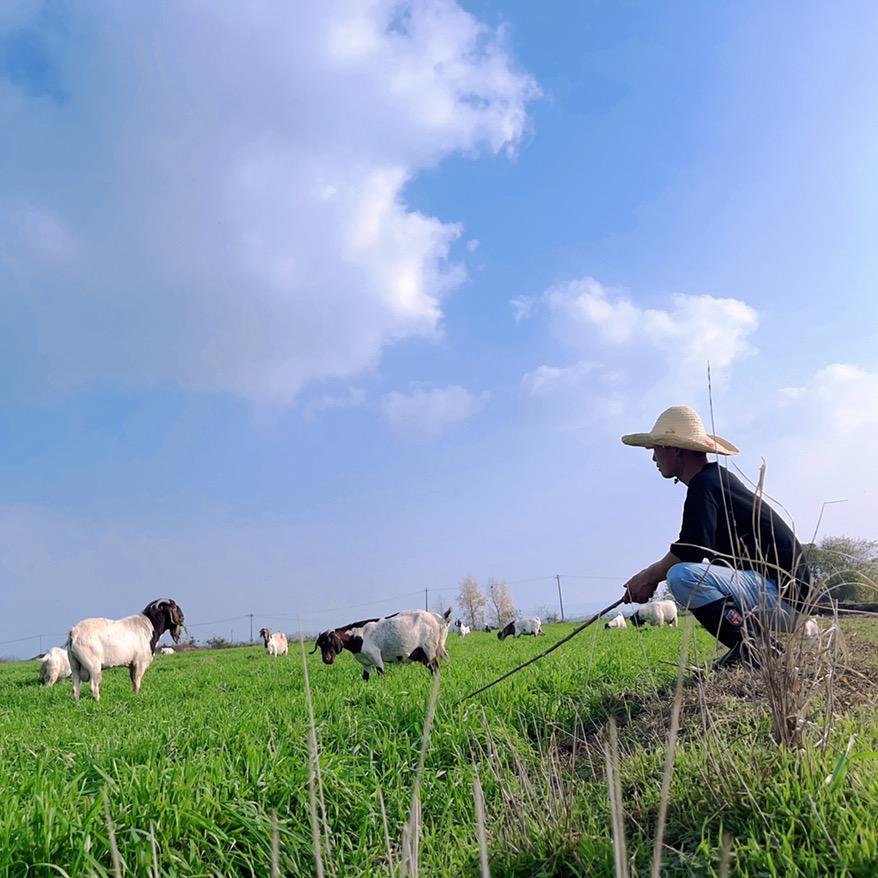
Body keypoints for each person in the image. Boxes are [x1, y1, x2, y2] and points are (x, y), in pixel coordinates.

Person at [620, 405, 812, 669]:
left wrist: (647, 577)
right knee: (687, 573)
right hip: (788, 598)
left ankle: (757, 650)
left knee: (682, 576)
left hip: (784, 598)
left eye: (657, 448)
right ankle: (758, 648)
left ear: (675, 449)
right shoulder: (714, 482)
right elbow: (699, 549)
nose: (654, 458)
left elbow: (689, 552)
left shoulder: (705, 485)